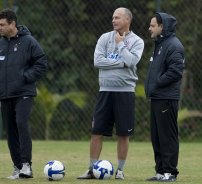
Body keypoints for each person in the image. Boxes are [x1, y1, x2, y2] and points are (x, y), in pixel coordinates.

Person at [77, 7, 144, 180]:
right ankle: (92, 169)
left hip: (125, 93)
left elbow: (131, 61)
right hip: (105, 91)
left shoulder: (137, 41)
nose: (113, 20)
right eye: (113, 17)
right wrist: (121, 63)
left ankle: (120, 171)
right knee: (96, 131)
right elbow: (97, 61)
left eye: (117, 17)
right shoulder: (104, 38)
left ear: (127, 20)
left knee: (123, 133)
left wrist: (121, 45)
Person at [0, 8, 47, 179]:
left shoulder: (28, 41)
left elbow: (41, 63)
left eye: (2, 24)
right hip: (4, 94)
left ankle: (27, 166)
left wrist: (25, 77)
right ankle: (17, 167)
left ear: (12, 23)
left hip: (23, 92)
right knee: (11, 130)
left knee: (21, 123)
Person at [145, 12, 184, 182]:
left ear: (163, 27)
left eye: (153, 25)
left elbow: (175, 72)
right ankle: (161, 172)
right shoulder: (161, 44)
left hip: (166, 97)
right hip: (157, 97)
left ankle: (170, 172)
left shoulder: (174, 45)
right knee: (157, 136)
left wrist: (156, 83)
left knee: (167, 136)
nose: (150, 28)